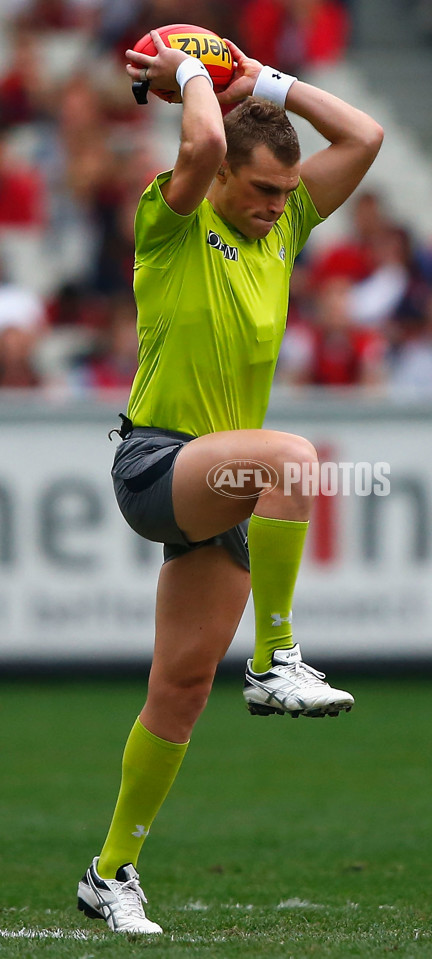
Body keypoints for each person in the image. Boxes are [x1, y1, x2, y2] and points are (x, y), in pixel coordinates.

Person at [76, 31, 383, 935]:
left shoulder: (282, 221)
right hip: (158, 463)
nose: (275, 206)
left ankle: (110, 871)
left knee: (176, 688)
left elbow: (363, 136)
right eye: (261, 190)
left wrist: (269, 84)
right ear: (221, 184)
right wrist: (182, 76)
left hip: (220, 483)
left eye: (286, 191)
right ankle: (275, 658)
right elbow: (205, 145)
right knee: (293, 456)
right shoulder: (173, 219)